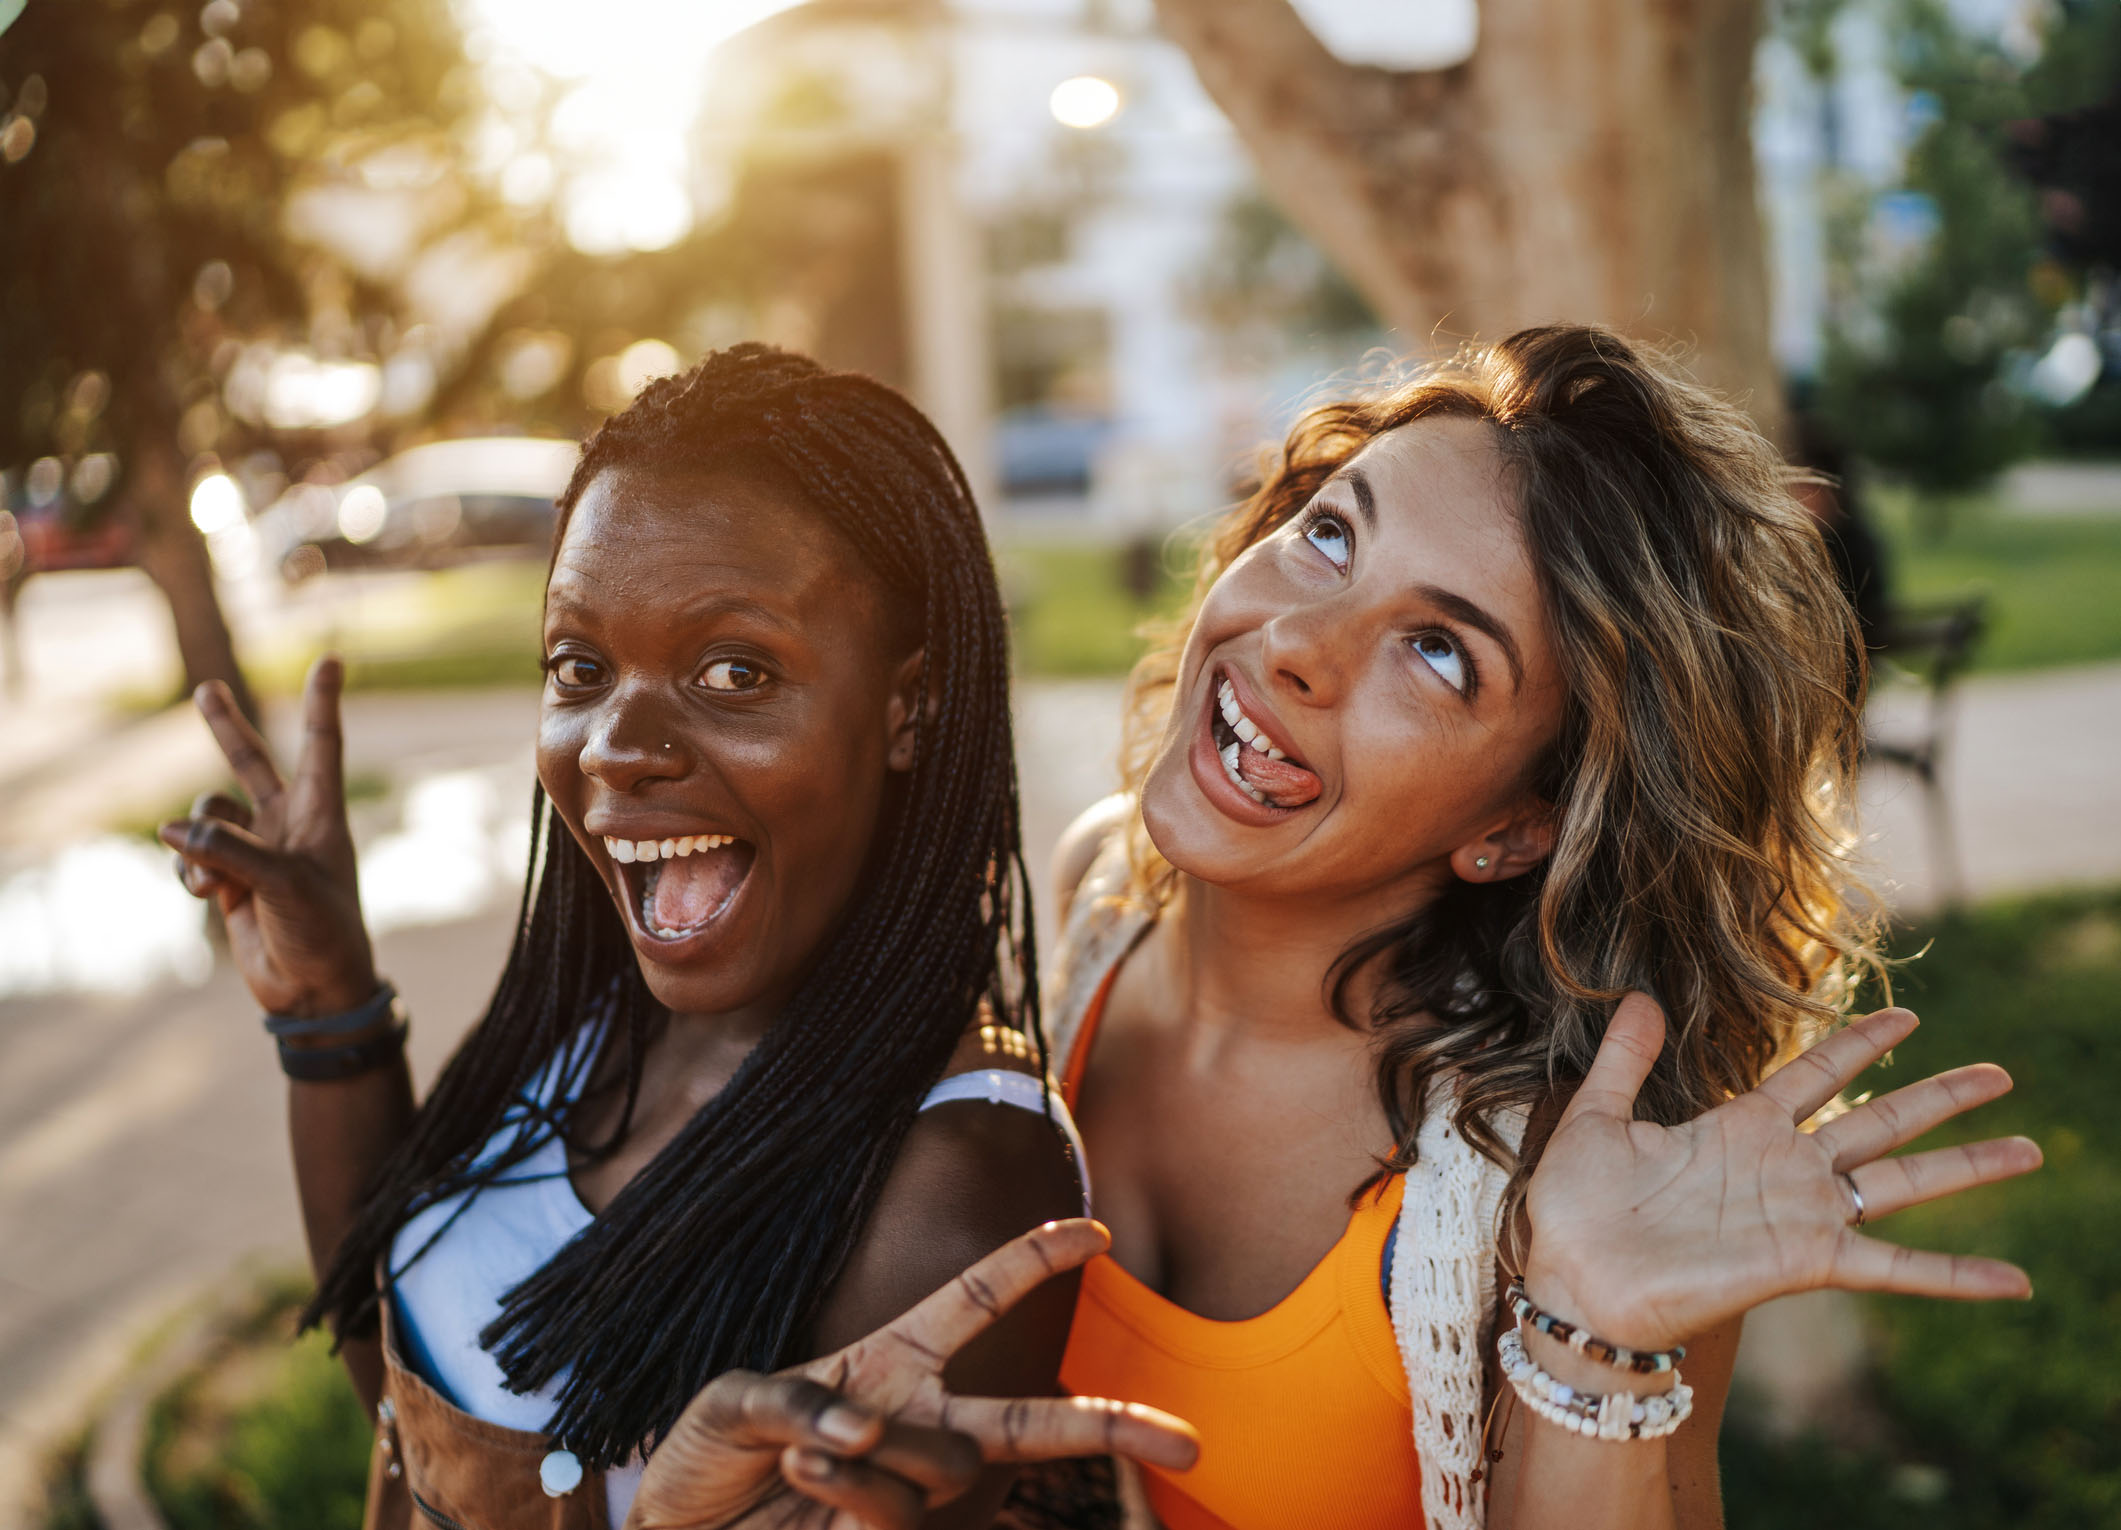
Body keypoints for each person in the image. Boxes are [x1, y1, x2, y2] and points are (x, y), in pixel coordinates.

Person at [677, 325, 2038, 1530]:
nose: (1295, 644)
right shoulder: (1095, 905)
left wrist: (1589, 1338)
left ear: (1516, 826)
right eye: (1330, 531)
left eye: (1439, 650)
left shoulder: (1555, 1177)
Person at [160, 346, 1195, 1530]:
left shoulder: (951, 1187)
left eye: (733, 668)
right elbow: (409, 1415)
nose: (613, 743)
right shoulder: (598, 1020)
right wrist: (328, 1012)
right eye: (580, 667)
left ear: (912, 706)